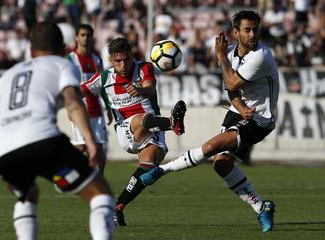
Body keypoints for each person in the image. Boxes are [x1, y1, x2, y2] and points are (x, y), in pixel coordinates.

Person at [0, 21, 115, 240]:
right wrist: (91, 142)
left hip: (4, 153)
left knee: (28, 194)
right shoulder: (62, 64)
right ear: (64, 48)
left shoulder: (8, 75)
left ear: (31, 51)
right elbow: (73, 102)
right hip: (43, 142)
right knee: (100, 195)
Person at [141, 11, 279, 233]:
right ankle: (262, 206)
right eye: (247, 30)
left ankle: (162, 171)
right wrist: (241, 107)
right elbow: (230, 89)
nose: (253, 34)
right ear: (236, 32)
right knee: (221, 164)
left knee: (212, 147)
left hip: (260, 119)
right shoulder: (230, 53)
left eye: (255, 29)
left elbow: (233, 81)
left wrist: (221, 58)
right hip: (240, 112)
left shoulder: (260, 56)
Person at [80, 37, 187, 226]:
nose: (123, 65)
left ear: (132, 56)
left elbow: (150, 88)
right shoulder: (104, 78)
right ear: (111, 61)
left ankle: (118, 207)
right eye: (118, 61)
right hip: (127, 129)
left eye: (126, 59)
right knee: (139, 118)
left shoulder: (144, 68)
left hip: (153, 129)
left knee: (149, 168)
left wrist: (139, 90)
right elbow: (79, 91)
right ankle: (172, 123)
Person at [66, 23, 112, 173]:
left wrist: (109, 107)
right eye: (82, 35)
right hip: (79, 108)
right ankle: (62, 170)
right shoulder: (70, 60)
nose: (85, 38)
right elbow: (67, 87)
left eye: (88, 35)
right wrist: (69, 107)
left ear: (92, 38)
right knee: (81, 146)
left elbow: (102, 85)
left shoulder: (97, 60)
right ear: (77, 38)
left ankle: (99, 184)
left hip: (96, 109)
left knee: (100, 152)